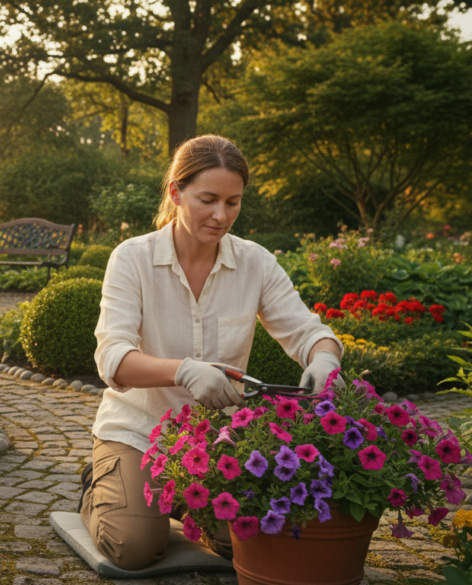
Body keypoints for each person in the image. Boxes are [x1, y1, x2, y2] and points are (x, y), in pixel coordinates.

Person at [79, 135, 343, 570]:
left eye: (233, 202)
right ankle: (99, 484)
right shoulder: (132, 259)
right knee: (134, 547)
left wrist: (323, 359)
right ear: (175, 193)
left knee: (248, 541)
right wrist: (184, 371)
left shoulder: (255, 263)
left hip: (216, 437)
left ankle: (181, 500)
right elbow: (113, 359)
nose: (222, 216)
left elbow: (308, 331)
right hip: (138, 432)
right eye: (208, 199)